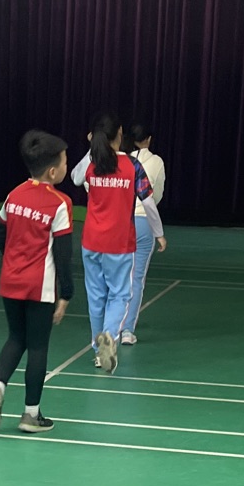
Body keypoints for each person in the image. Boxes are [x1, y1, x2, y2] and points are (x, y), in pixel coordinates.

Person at [0, 130, 74, 434]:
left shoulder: (13, 195)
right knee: (37, 346)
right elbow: (63, 254)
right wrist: (66, 293)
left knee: (15, 338)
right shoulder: (60, 203)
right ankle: (31, 415)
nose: (66, 166)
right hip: (39, 287)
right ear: (52, 172)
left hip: (10, 280)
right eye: (64, 162)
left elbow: (1, 235)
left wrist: (13, 261)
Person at [79, 112, 165, 374]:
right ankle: (109, 335)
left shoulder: (93, 163)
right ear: (119, 135)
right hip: (119, 242)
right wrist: (158, 232)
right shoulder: (132, 166)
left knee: (96, 296)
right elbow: (148, 202)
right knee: (120, 294)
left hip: (91, 241)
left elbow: (74, 177)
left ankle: (98, 351)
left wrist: (90, 149)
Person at [123, 121, 166, 345]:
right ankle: (127, 330)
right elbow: (154, 195)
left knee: (117, 275)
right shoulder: (156, 161)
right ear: (148, 139)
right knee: (136, 278)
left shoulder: (121, 160)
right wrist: (159, 232)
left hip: (120, 222)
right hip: (143, 222)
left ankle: (111, 325)